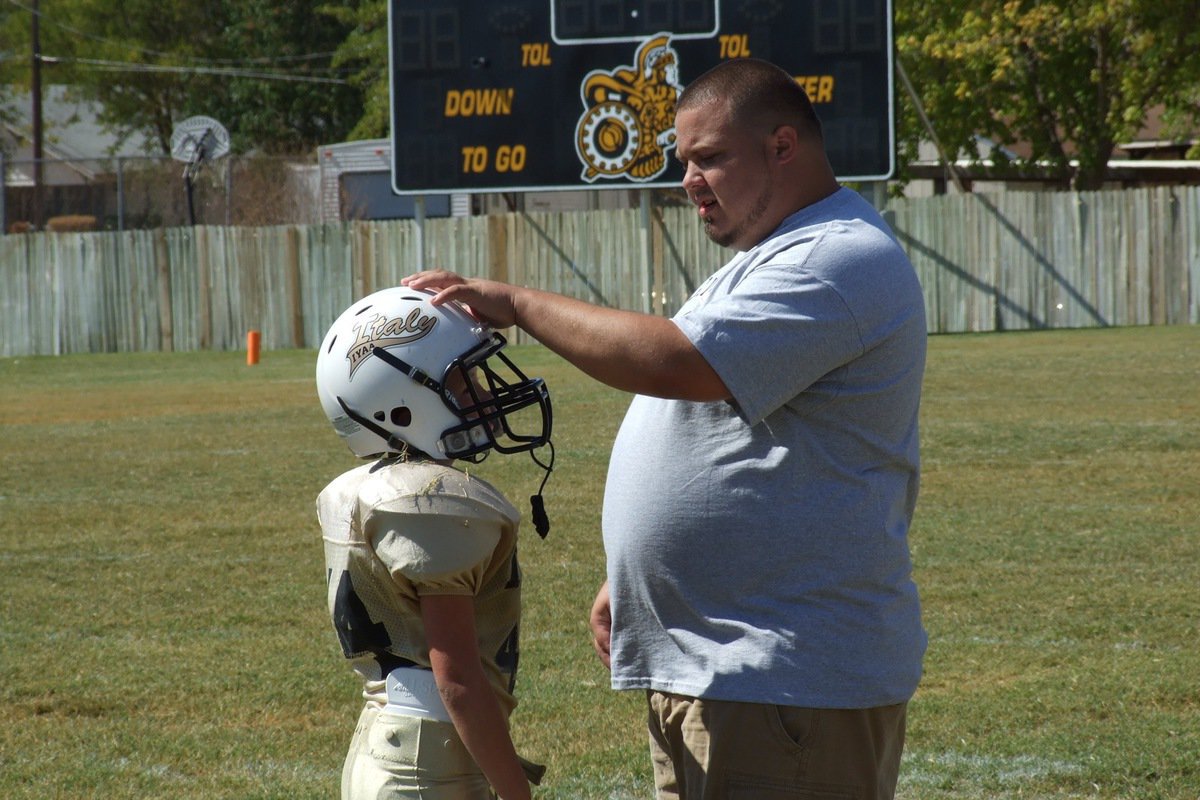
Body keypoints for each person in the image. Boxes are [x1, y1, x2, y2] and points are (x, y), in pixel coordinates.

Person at [404, 56, 927, 800]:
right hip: (722, 665)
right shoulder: (766, 254)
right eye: (684, 160)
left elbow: (679, 364)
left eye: (710, 157)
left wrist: (517, 303)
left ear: (784, 146)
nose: (688, 179)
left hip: (786, 680)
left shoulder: (838, 255)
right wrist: (637, 573)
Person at [313, 286, 554, 800]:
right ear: (398, 407)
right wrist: (516, 791)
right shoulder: (426, 500)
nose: (486, 396)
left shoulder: (371, 491)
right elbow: (458, 680)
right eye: (465, 385)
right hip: (428, 766)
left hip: (399, 748)